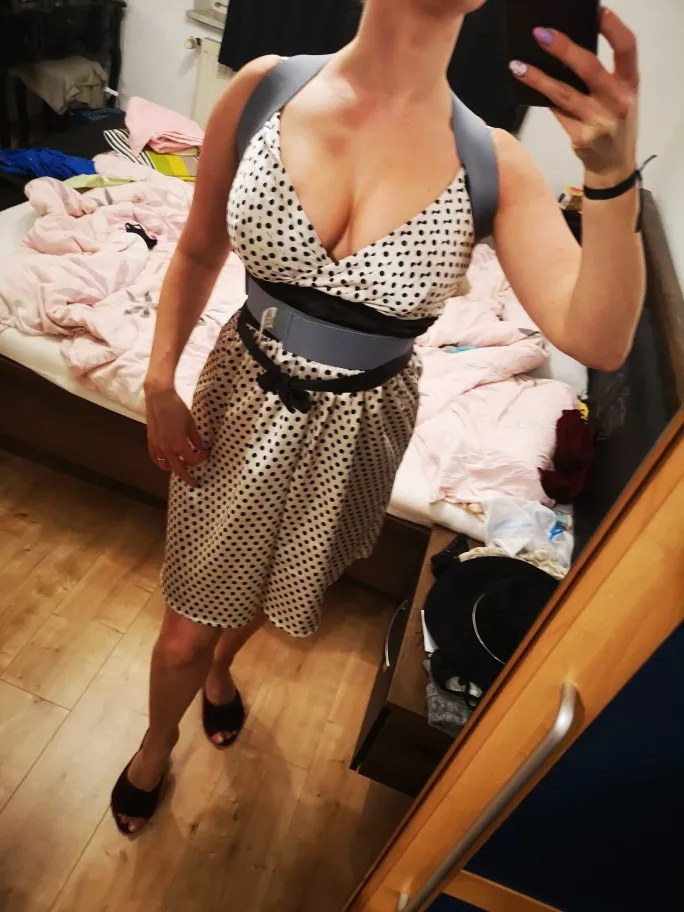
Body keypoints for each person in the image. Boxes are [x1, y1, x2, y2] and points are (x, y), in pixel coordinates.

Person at [111, 0, 644, 834]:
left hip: (360, 428)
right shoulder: (266, 89)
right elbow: (197, 248)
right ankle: (155, 741)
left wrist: (611, 177)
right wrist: (157, 382)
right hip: (240, 399)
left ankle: (222, 670)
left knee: (269, 586)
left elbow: (600, 338)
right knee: (183, 631)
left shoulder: (494, 162)